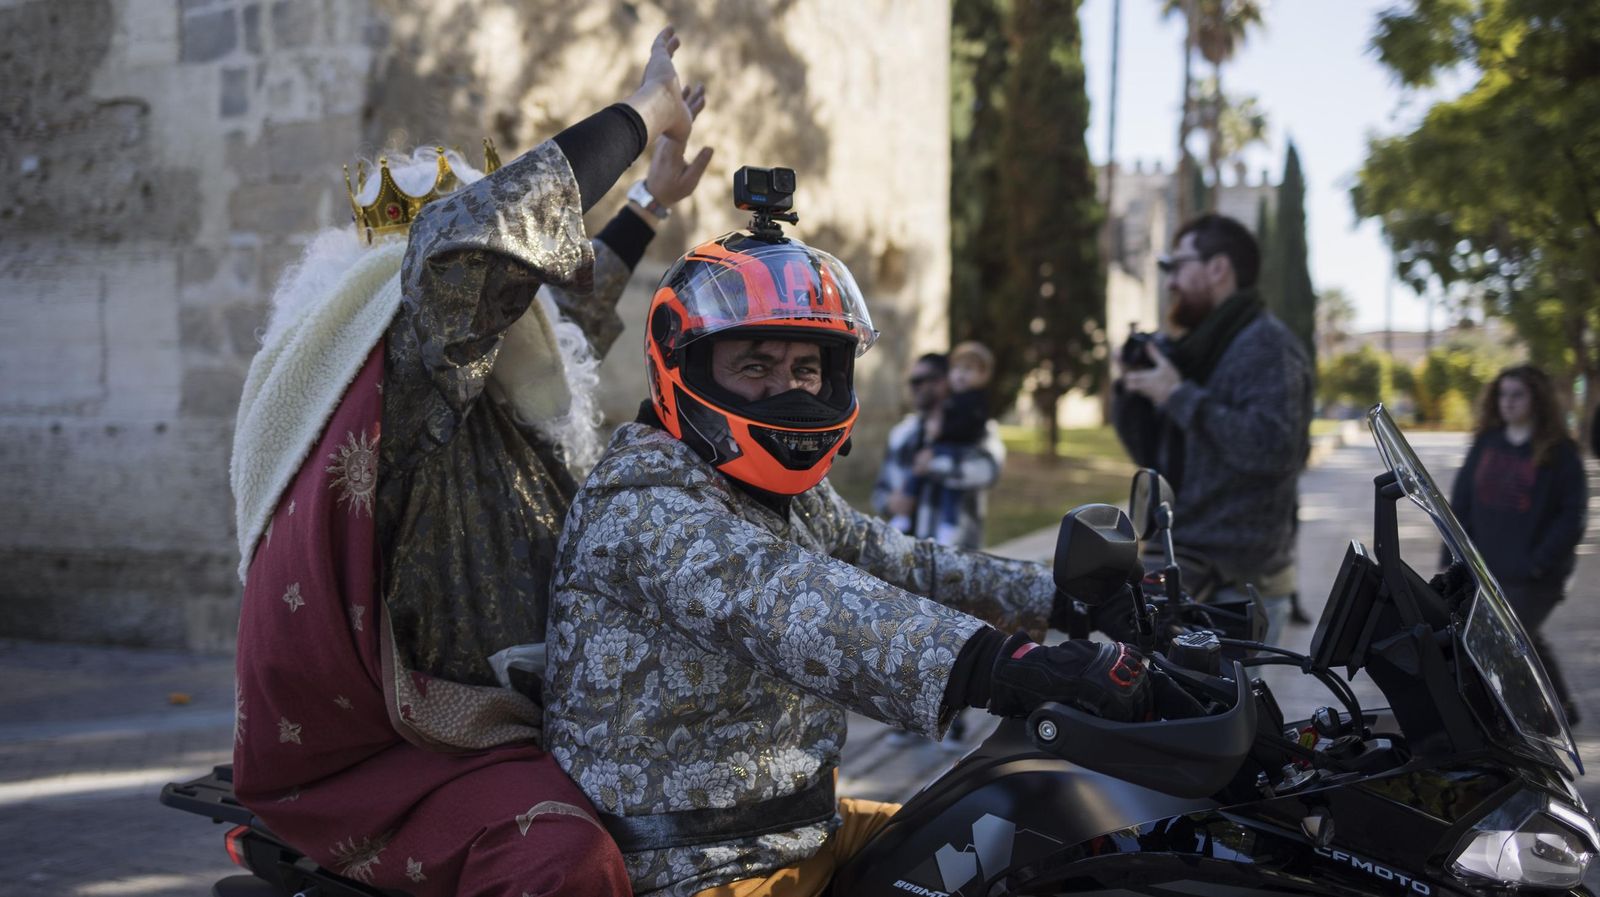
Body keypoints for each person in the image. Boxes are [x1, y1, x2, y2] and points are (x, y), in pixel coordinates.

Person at [543, 217, 1168, 897]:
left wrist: (1067, 600)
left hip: (807, 834)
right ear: (686, 368)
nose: (790, 390)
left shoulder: (785, 496)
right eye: (755, 365)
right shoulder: (642, 499)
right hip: (700, 869)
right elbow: (797, 601)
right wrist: (1004, 664)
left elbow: (901, 564)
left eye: (807, 367)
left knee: (1053, 840)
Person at [227, 28, 713, 897]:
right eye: (489, 288)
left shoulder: (481, 375)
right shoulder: (403, 374)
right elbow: (470, 251)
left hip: (540, 708)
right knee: (569, 862)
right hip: (417, 750)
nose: (503, 308)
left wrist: (649, 202)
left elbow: (572, 317)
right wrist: (643, 114)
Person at [1111, 213, 1312, 645]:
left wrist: (1179, 397)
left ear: (1218, 268)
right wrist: (1131, 391)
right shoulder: (1199, 350)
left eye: (1178, 265)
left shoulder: (1267, 347)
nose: (1170, 281)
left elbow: (1274, 450)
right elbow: (1153, 457)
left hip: (1233, 591)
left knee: (1222, 712)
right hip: (1179, 570)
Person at [1448, 365, 1586, 724]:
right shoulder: (1487, 442)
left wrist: (1538, 563)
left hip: (1536, 575)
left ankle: (1526, 722)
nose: (1507, 402)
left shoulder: (1560, 452)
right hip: (1487, 566)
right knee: (1524, 636)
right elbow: (1461, 501)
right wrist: (1451, 554)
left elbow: (1572, 517)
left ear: (1537, 399)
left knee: (1502, 640)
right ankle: (1563, 709)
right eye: (1502, 394)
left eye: (1517, 395)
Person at [873, 351, 1005, 550]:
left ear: (944, 381)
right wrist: (892, 503)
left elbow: (989, 471)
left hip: (959, 559)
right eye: (911, 381)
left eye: (920, 380)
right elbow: (879, 492)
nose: (914, 387)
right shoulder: (902, 433)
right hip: (907, 556)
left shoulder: (979, 430)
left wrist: (932, 464)